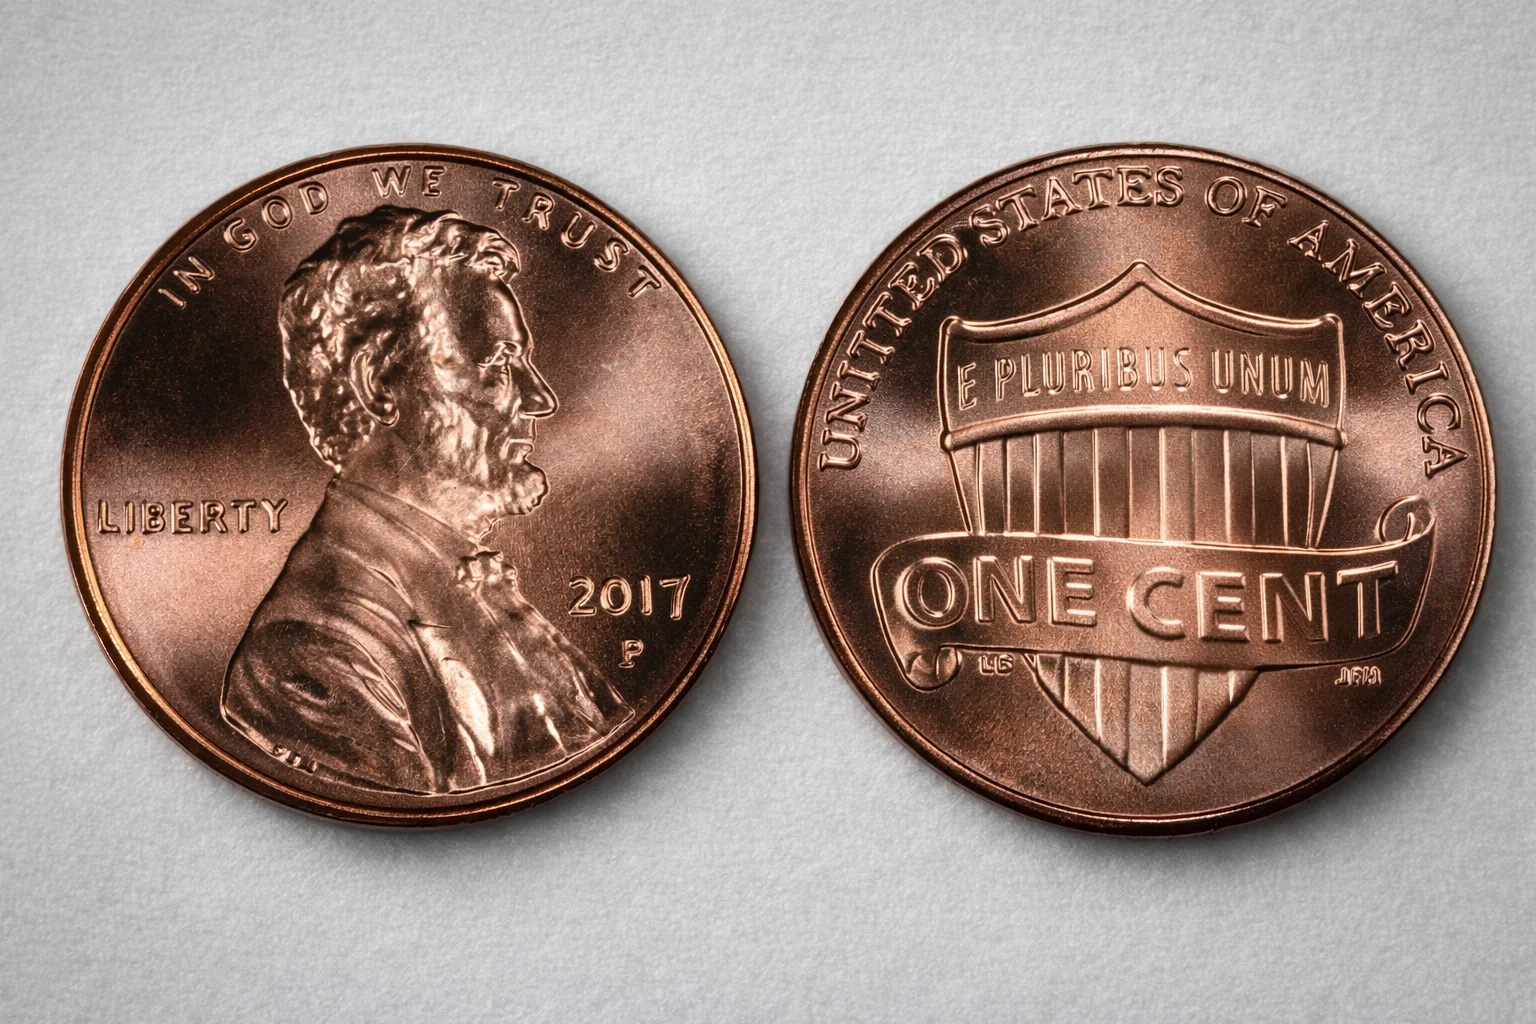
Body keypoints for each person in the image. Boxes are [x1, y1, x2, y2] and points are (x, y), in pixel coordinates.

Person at [222, 206, 632, 794]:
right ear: (379, 383)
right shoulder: (309, 651)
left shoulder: (458, 575)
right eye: (498, 364)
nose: (539, 398)